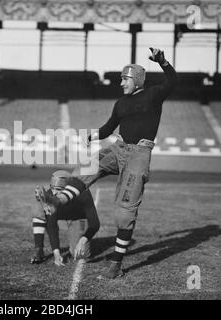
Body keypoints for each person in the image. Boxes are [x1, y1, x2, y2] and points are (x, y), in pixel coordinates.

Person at [37, 48, 177, 278]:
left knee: (124, 212)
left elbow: (173, 81)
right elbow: (109, 127)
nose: (121, 84)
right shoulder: (121, 102)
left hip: (139, 154)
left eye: (125, 79)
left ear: (137, 80)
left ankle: (115, 265)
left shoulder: (153, 95)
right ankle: (58, 200)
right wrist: (93, 135)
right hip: (118, 148)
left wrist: (162, 62)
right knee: (86, 166)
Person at [30, 170, 100, 266]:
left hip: (77, 217)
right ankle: (38, 249)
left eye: (58, 189)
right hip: (61, 214)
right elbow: (51, 225)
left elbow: (95, 224)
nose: (54, 193)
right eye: (52, 188)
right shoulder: (50, 195)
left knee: (80, 255)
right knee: (38, 207)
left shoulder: (84, 194)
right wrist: (56, 252)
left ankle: (77, 238)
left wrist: (84, 239)